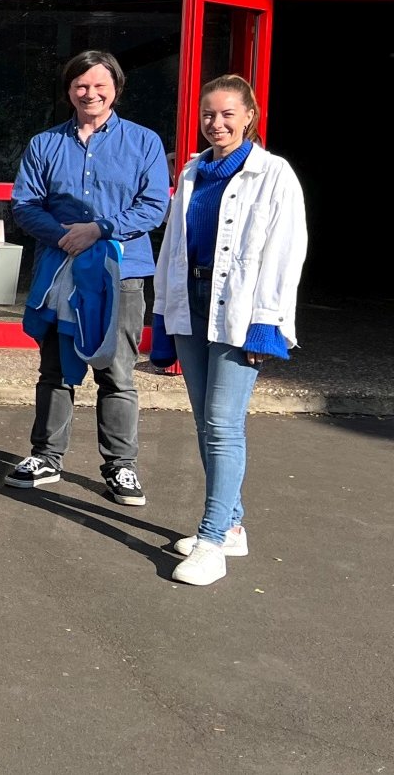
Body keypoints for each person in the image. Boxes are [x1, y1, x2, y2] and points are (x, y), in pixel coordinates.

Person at [151, 75, 306, 587]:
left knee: (222, 425)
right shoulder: (195, 170)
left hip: (241, 312)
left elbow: (285, 254)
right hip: (192, 304)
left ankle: (213, 539)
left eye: (226, 114)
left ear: (249, 117)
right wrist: (162, 318)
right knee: (205, 423)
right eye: (208, 115)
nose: (216, 124)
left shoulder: (273, 174)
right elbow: (174, 245)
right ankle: (233, 525)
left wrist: (268, 326)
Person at [7, 50, 169, 506]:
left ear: (116, 88)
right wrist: (65, 237)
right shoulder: (45, 143)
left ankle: (121, 465)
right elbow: (24, 205)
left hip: (122, 273)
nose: (90, 93)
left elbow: (154, 205)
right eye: (81, 85)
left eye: (100, 85)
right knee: (55, 370)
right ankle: (46, 456)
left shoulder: (144, 142)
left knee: (117, 371)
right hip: (61, 269)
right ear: (69, 91)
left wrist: (98, 229)